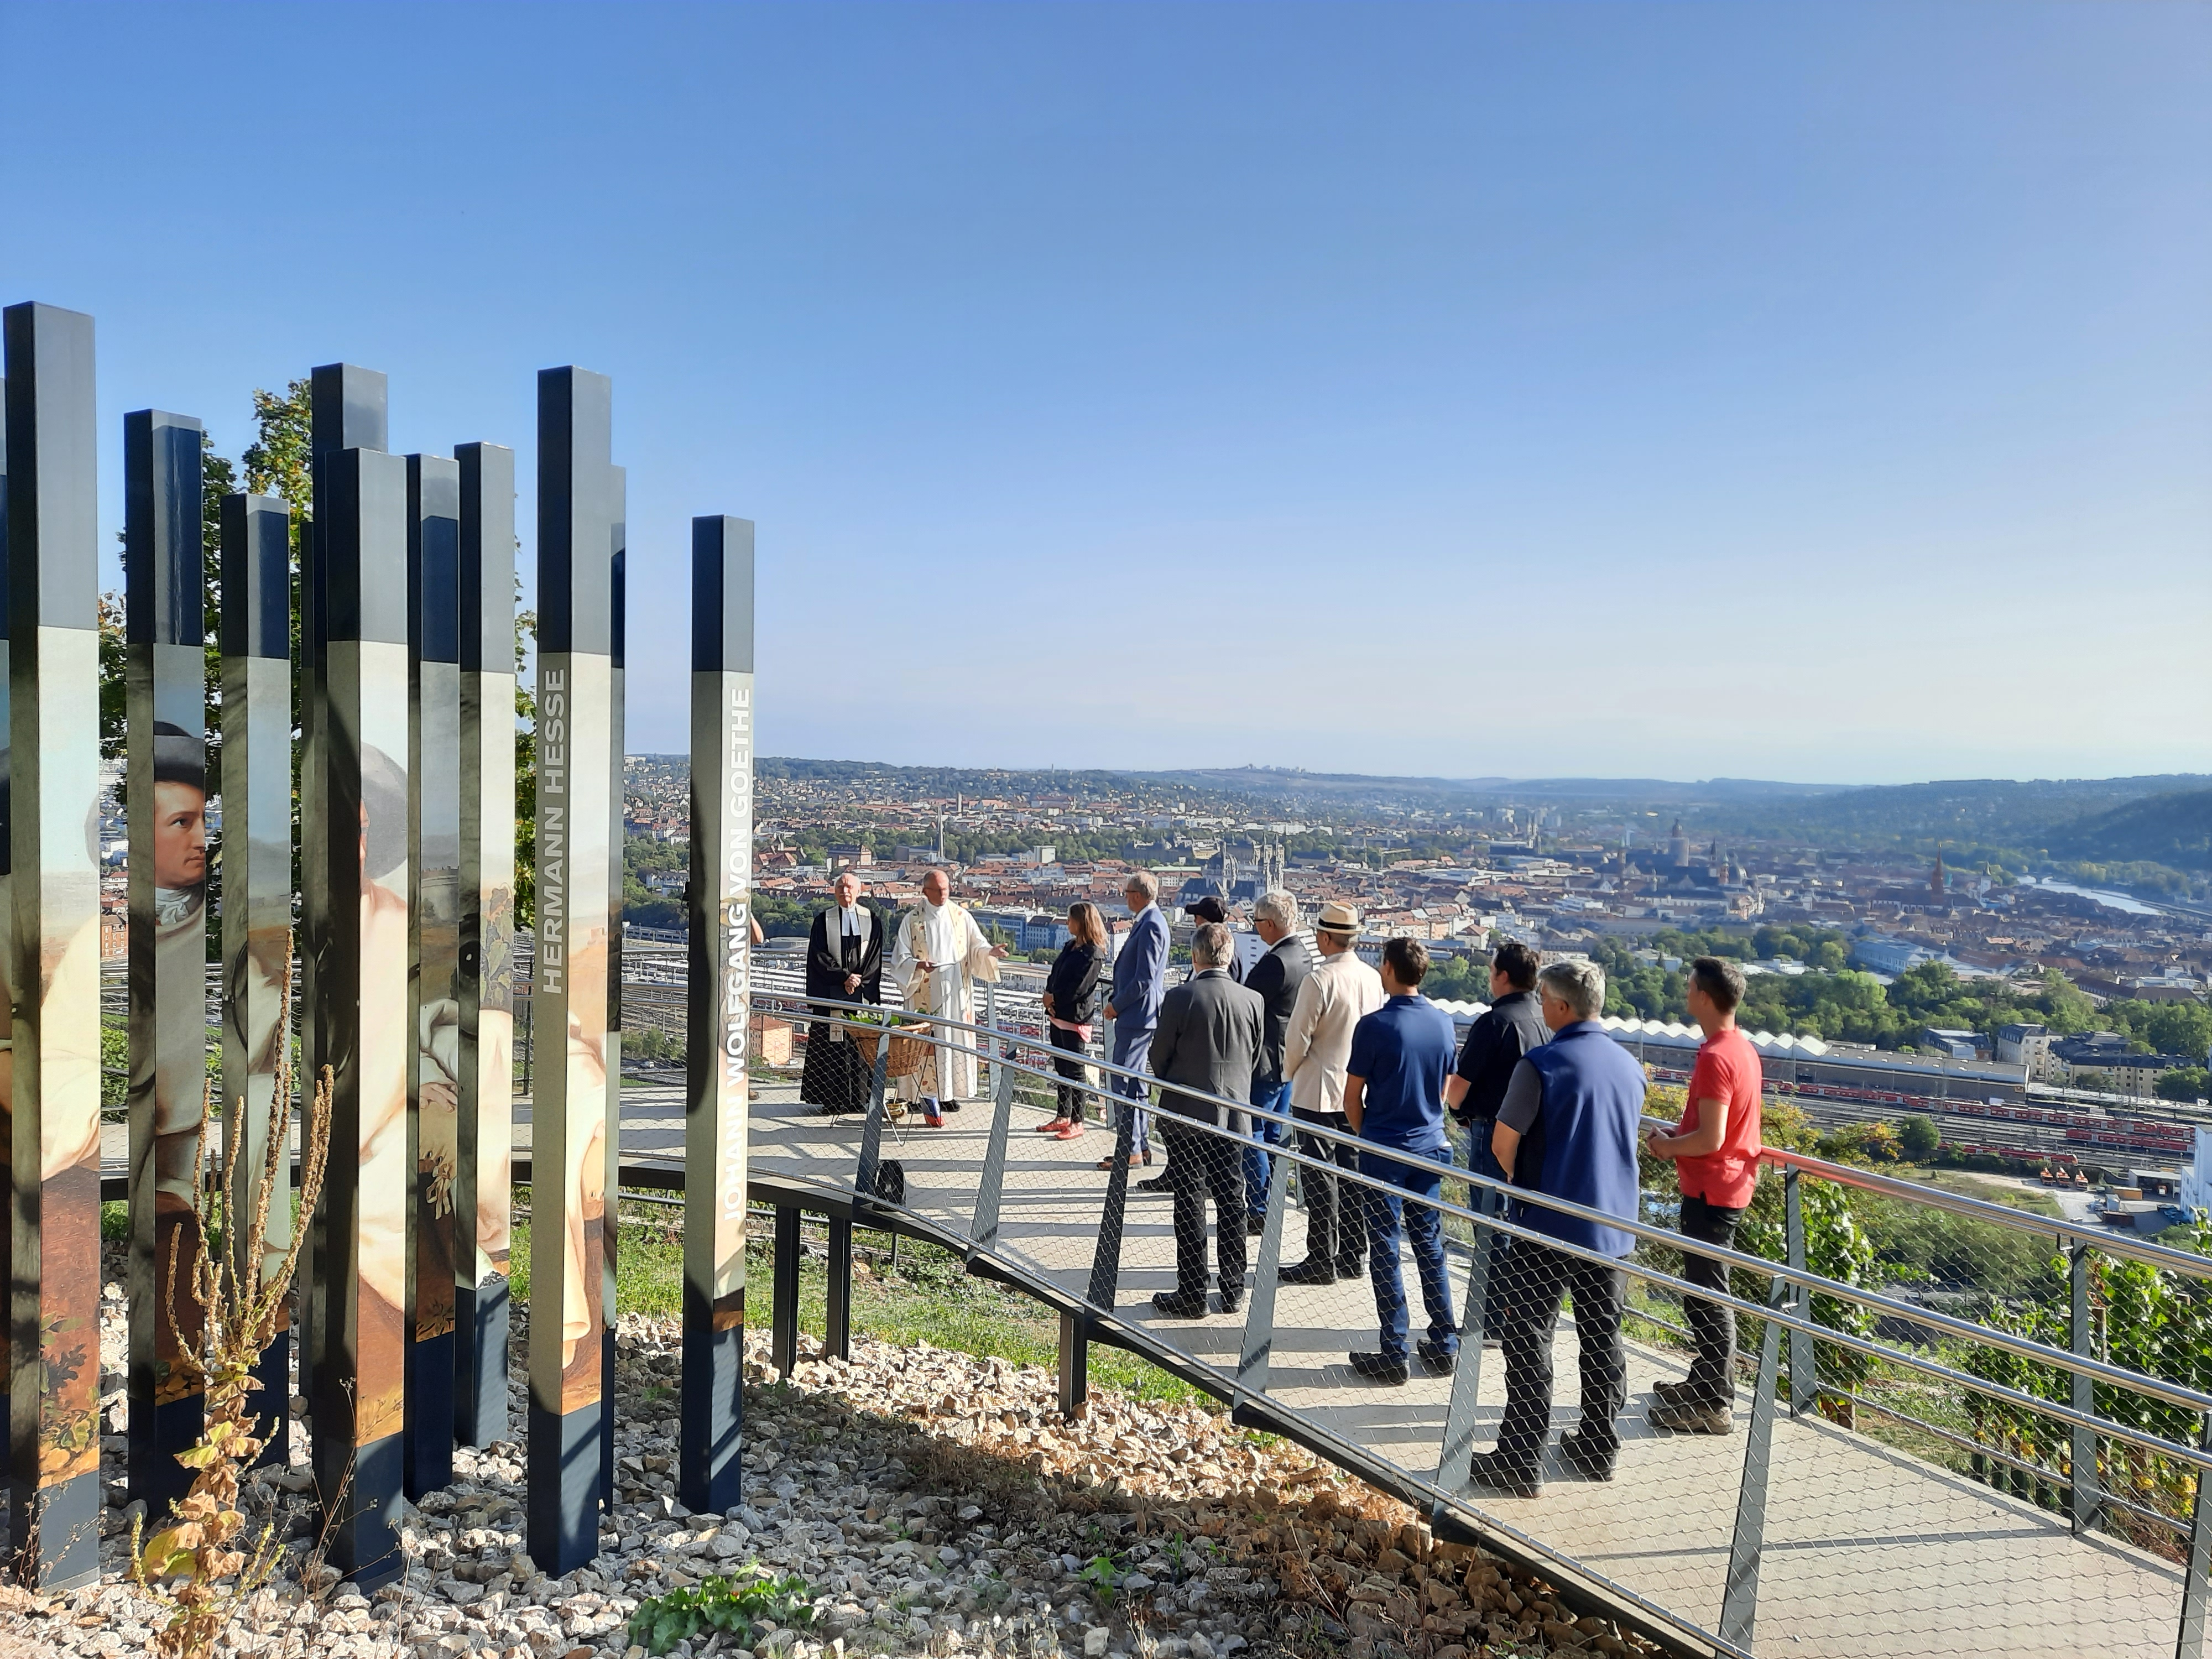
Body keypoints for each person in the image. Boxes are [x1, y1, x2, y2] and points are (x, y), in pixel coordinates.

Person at [1472, 959, 1645, 1498]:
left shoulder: (1540, 1064)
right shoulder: (1628, 1066)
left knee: (1529, 1339)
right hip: (1611, 1228)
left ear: (1562, 1007)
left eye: (1545, 998)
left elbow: (1504, 1143)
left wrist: (1516, 1186)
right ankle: (1598, 1447)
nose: (1540, 1005)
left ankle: (1521, 1460)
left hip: (1545, 1225)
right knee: (1601, 1337)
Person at [1643, 956, 1764, 1435]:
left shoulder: (1716, 1056)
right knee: (1705, 1292)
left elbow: (1712, 1139)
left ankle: (1715, 1401)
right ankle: (1706, 1381)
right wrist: (1677, 1133)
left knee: (1708, 1296)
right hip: (1728, 1183)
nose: (1685, 993)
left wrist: (1667, 1148)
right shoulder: (1741, 1049)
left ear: (1705, 997)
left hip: (1713, 1187)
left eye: (1690, 986)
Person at [1343, 937, 1460, 1384]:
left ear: (1388, 969)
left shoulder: (1373, 1027)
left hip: (1385, 1147)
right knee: (1430, 1244)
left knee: (1386, 1248)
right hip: (1431, 1146)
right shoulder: (1444, 1023)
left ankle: (1394, 1350)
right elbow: (1445, 1090)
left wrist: (1367, 1134)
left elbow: (1352, 1097)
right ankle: (1445, 1342)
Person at [1146, 922, 1264, 1318]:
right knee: (1233, 1199)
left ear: (1195, 956)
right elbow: (1255, 1056)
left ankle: (1193, 1292)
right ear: (1229, 958)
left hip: (1187, 1115)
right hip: (1235, 1116)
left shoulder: (1181, 997)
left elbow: (1158, 1057)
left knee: (1190, 1199)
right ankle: (1233, 1289)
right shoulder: (1253, 1000)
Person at [1443, 940, 1548, 1338]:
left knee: (1489, 1224)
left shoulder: (1495, 1022)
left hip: (1490, 1129)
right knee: (1517, 1222)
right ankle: (1511, 1313)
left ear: (1502, 976)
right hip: (1533, 1133)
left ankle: (1489, 1319)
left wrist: (1459, 1114)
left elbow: (1459, 1088)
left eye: (1492, 970)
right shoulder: (1543, 1019)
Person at [1277, 902, 1387, 1286]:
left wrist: (1288, 1073)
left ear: (1325, 938)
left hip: (1318, 1091)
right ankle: (1354, 1254)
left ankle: (1320, 1257)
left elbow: (1298, 1038)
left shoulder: (1320, 980)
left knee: (1319, 1177)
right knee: (1352, 1173)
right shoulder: (1373, 978)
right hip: (1357, 1091)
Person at [890, 868, 1008, 1127]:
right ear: (925, 891)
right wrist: (918, 966)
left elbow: (977, 947)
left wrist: (991, 952)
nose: (944, 894)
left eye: (946, 889)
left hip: (956, 989)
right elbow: (899, 958)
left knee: (953, 1039)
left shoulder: (961, 916)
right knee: (925, 1044)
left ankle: (949, 1094)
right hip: (924, 990)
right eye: (938, 890)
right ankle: (918, 1096)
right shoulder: (912, 920)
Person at [1240, 890, 1310, 1234]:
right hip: (1289, 1059)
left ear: (1270, 924)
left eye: (1257, 922)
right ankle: (1271, 1200)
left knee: (1253, 1132)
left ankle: (1258, 1206)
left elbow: (1245, 1001)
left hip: (1264, 1059)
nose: (1255, 929)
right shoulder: (1303, 956)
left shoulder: (1275, 962)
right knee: (1274, 1134)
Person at [799, 869, 885, 1114]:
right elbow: (818, 956)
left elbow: (874, 958)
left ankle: (860, 1100)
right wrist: (844, 977)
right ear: (834, 892)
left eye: (849, 887)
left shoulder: (873, 920)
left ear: (859, 891)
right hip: (831, 993)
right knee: (832, 1046)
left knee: (859, 1046)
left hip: (860, 993)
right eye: (840, 888)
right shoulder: (823, 921)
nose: (845, 892)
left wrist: (858, 980)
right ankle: (832, 1100)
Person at [1099, 870, 1167, 1173]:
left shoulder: (1152, 925)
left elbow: (1144, 979)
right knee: (1135, 1082)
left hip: (1136, 1015)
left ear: (1138, 895)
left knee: (1123, 1080)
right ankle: (1139, 1145)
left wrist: (1116, 1005)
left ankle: (1131, 1149)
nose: (1125, 898)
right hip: (1139, 1015)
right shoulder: (1149, 921)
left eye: (1127, 893)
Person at [1039, 901, 1109, 1138]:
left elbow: (1079, 988)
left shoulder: (1093, 954)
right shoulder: (1071, 946)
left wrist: (1054, 999)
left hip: (1075, 1018)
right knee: (1061, 1068)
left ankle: (1078, 1121)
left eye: (1070, 919)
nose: (1067, 923)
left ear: (1082, 922)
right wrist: (1049, 998)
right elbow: (1056, 974)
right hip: (1057, 1016)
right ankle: (1063, 1115)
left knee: (1076, 1071)